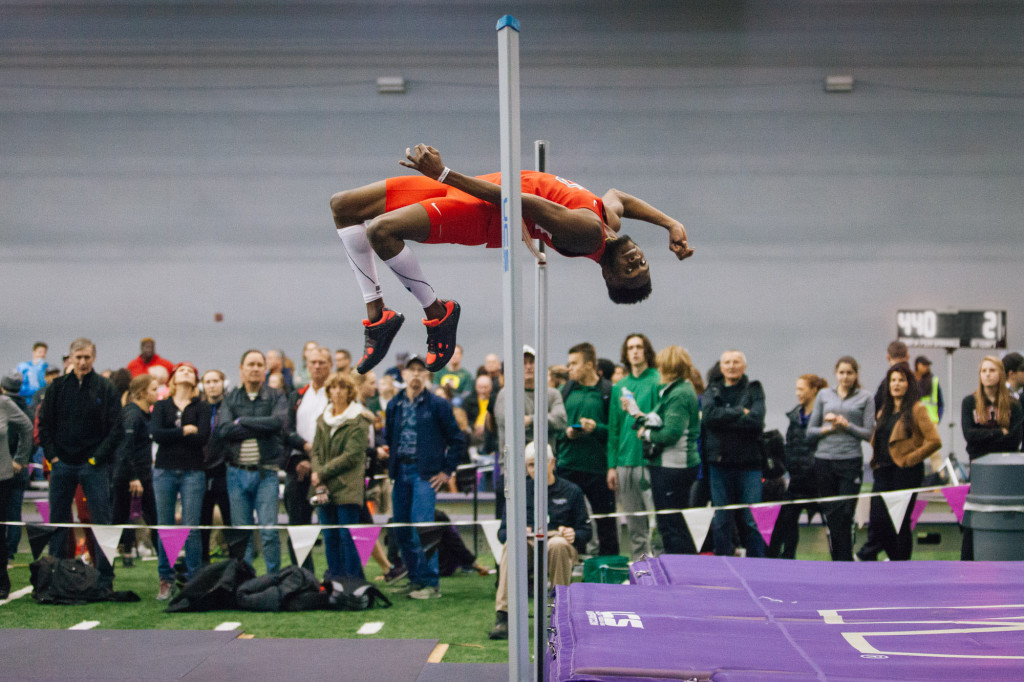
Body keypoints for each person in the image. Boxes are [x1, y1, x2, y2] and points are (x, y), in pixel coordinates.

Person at [330, 144, 694, 375]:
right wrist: (670, 223)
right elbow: (618, 196)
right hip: (481, 185)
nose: (637, 259)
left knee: (381, 231)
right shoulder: (609, 222)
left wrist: (443, 173)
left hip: (486, 211)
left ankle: (437, 313)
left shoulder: (587, 234)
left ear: (611, 278)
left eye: (631, 270)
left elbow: (522, 203)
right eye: (643, 263)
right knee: (343, 206)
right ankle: (378, 318)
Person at [38, 338, 123, 588]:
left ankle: (105, 578)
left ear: (93, 358)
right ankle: (56, 575)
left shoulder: (105, 388)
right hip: (62, 464)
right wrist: (53, 456)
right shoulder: (56, 387)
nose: (83, 362)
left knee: (101, 522)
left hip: (94, 466)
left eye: (87, 357)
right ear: (70, 359)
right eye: (78, 357)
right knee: (58, 522)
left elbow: (116, 429)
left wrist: (97, 458)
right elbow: (44, 425)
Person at [383, 354, 467, 599]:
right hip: (400, 472)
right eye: (412, 370)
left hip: (425, 475)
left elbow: (457, 439)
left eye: (421, 370)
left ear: (427, 375)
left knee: (423, 529)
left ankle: (431, 584)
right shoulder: (394, 404)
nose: (416, 374)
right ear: (404, 375)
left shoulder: (438, 405)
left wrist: (446, 471)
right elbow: (389, 437)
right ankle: (415, 579)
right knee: (401, 529)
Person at [489, 442, 590, 640]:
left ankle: (559, 613)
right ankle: (504, 616)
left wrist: (574, 534)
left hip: (558, 543)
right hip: (528, 544)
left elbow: (586, 532)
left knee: (558, 544)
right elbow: (502, 534)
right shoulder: (517, 493)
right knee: (512, 545)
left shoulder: (572, 491)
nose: (536, 469)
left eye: (540, 464)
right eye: (531, 465)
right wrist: (516, 532)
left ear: (552, 463)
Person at [214, 350, 289, 576]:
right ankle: (244, 580)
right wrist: (260, 426)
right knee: (242, 532)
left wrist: (243, 421)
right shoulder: (230, 398)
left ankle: (273, 579)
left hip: (266, 472)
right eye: (250, 364)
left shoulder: (276, 396)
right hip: (236, 473)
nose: (255, 368)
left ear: (265, 370)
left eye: (259, 364)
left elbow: (277, 423)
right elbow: (224, 430)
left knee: (268, 532)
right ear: (241, 369)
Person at [863, 364, 941, 561]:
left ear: (909, 384)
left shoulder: (917, 409)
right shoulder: (883, 412)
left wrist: (910, 459)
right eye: (893, 380)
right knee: (878, 521)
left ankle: (901, 565)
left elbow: (934, 441)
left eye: (901, 380)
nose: (896, 384)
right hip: (882, 472)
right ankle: (886, 558)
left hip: (905, 474)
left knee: (899, 524)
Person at [151, 362, 211, 598]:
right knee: (165, 526)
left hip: (193, 471)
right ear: (173, 379)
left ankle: (194, 579)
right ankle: (165, 578)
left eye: (191, 371)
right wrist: (184, 431)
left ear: (195, 381)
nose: (186, 373)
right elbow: (157, 434)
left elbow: (203, 437)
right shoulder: (161, 405)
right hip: (165, 470)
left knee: (191, 527)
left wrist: (175, 435)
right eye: (181, 370)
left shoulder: (202, 407)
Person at [633, 345, 701, 555]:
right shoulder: (676, 389)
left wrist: (646, 434)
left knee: (671, 525)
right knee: (673, 523)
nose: (658, 370)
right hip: (671, 466)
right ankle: (683, 568)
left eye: (661, 366)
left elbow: (671, 433)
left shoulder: (679, 393)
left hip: (673, 466)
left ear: (669, 368)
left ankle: (682, 571)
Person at [807, 356, 875, 562]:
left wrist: (847, 426)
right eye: (841, 373)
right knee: (832, 515)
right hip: (824, 460)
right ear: (836, 374)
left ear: (856, 374)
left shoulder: (865, 397)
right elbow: (810, 431)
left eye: (849, 373)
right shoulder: (823, 395)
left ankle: (844, 560)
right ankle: (838, 560)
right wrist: (829, 429)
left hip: (850, 461)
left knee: (845, 513)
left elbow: (868, 433)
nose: (845, 377)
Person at [310, 371, 373, 581]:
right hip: (324, 487)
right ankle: (335, 580)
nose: (337, 392)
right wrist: (319, 474)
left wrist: (321, 472)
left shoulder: (359, 419)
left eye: (342, 387)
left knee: (348, 537)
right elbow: (316, 451)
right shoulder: (322, 419)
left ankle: (354, 581)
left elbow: (352, 456)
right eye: (333, 387)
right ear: (328, 392)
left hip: (347, 486)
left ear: (350, 392)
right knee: (330, 536)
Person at [701, 350, 766, 558]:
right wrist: (740, 412)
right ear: (721, 367)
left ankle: (759, 564)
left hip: (750, 466)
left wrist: (724, 419)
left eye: (736, 362)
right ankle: (723, 564)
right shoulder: (712, 390)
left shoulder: (754, 389)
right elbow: (709, 418)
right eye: (727, 362)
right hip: (719, 465)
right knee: (722, 519)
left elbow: (756, 420)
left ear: (744, 366)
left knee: (751, 518)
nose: (731, 366)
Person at [493, 345, 568, 522]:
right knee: (510, 525)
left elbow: (561, 421)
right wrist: (543, 421)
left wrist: (532, 420)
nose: (528, 366)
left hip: (545, 471)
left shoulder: (552, 394)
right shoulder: (506, 394)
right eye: (524, 362)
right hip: (513, 472)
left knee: (546, 522)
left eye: (532, 362)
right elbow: (512, 424)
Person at [558, 342, 618, 557]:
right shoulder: (563, 391)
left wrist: (595, 428)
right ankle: (569, 564)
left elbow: (615, 431)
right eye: (569, 363)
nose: (569, 368)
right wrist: (567, 433)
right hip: (567, 467)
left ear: (590, 365)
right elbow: (554, 428)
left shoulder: (608, 391)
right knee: (564, 523)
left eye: (574, 363)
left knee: (605, 522)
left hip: (598, 469)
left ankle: (611, 569)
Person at [960, 356, 1024, 559]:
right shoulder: (969, 402)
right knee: (975, 515)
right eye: (984, 371)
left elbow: (1014, 440)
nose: (987, 374)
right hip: (979, 469)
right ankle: (969, 559)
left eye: (992, 370)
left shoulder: (1014, 405)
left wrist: (985, 437)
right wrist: (999, 433)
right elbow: (969, 437)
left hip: (1006, 470)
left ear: (1001, 374)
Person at [607, 333, 661, 560]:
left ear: (647, 350)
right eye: (631, 348)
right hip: (625, 462)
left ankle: (663, 569)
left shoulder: (658, 380)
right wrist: (612, 465)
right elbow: (614, 429)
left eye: (639, 347)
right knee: (635, 526)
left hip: (652, 460)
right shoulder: (619, 386)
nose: (635, 351)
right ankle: (640, 571)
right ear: (626, 353)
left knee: (658, 523)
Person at [767, 373, 827, 560]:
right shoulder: (794, 417)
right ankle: (785, 560)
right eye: (797, 389)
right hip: (796, 481)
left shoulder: (825, 414)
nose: (797, 393)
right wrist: (790, 466)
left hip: (818, 480)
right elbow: (790, 445)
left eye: (801, 389)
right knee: (785, 520)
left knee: (834, 522)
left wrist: (812, 467)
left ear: (814, 390)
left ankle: (842, 560)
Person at [284, 346, 332, 573]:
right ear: (307, 366)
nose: (317, 366)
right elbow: (287, 430)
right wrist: (304, 450)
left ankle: (336, 574)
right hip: (299, 464)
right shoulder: (298, 395)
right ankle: (303, 575)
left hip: (329, 467)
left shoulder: (336, 393)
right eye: (313, 362)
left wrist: (316, 462)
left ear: (330, 365)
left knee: (332, 525)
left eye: (322, 362)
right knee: (298, 526)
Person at [111, 374, 160, 569]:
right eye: (154, 389)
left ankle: (168, 567)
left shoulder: (144, 414)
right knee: (118, 522)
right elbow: (125, 448)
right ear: (142, 393)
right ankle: (99, 564)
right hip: (130, 478)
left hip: (142, 476)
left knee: (151, 520)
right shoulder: (132, 415)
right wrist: (133, 477)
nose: (158, 393)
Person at [0, 384, 33, 597]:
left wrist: (20, 459)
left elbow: (27, 427)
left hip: (2, 477)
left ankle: (2, 582)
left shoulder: (4, 403)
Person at [199, 369, 231, 563]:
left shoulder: (229, 407)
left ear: (222, 383)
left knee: (229, 519)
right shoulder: (199, 408)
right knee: (203, 521)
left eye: (215, 381)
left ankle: (236, 563)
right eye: (208, 382)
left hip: (225, 471)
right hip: (202, 472)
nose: (212, 385)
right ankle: (203, 563)